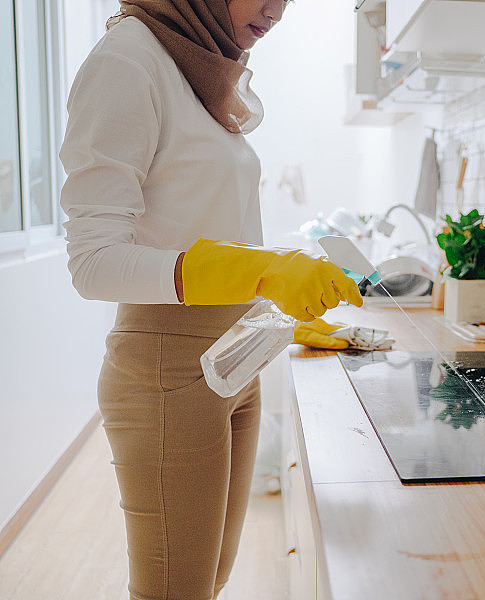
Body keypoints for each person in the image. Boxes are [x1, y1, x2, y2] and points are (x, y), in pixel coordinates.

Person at [58, 1, 362, 599]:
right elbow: (92, 263)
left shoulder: (196, 65)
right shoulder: (127, 61)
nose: (277, 9)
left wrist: (272, 317)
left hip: (233, 359)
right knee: (176, 590)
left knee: (208, 579)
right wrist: (260, 269)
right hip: (168, 371)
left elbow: (200, 219)